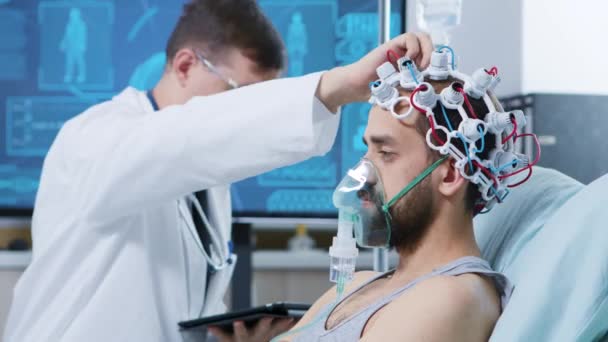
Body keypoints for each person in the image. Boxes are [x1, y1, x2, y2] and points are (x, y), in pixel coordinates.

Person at [3, 0, 434, 341]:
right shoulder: (91, 140)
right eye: (240, 95)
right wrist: (333, 87)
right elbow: (181, 139)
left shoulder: (207, 180)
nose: (244, 112)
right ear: (186, 65)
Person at [277, 76, 514, 341]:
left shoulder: (451, 296)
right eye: (368, 152)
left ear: (449, 176)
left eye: (386, 153)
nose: (362, 175)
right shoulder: (357, 285)